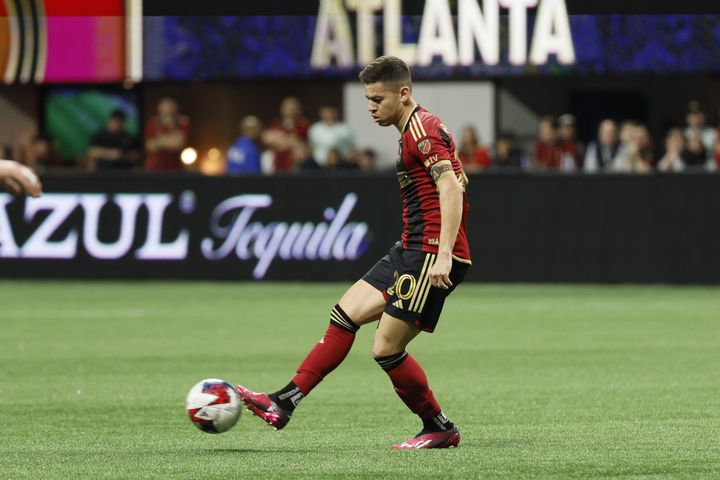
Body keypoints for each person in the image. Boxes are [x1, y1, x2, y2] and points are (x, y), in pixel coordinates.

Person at [236, 56, 471, 450]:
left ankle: (438, 426)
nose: (371, 107)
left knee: (386, 349)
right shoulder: (416, 128)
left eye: (378, 99)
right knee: (344, 314)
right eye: (367, 99)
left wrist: (444, 253)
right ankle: (284, 403)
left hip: (430, 253)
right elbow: (456, 178)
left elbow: (451, 188)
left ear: (404, 93)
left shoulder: (422, 131)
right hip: (410, 248)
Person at [264, 96, 310, 173]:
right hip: (277, 165)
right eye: (288, 107)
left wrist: (280, 139)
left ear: (299, 109)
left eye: (293, 107)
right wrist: (289, 141)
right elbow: (267, 138)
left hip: (296, 167)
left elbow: (300, 143)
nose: (290, 110)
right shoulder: (276, 124)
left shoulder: (303, 125)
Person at [145, 97, 190, 172]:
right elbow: (150, 146)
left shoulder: (182, 122)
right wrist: (170, 139)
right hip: (155, 168)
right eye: (164, 106)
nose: (167, 109)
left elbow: (178, 143)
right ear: (159, 108)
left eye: (170, 106)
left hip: (175, 167)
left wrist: (159, 141)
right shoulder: (153, 123)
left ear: (175, 107)